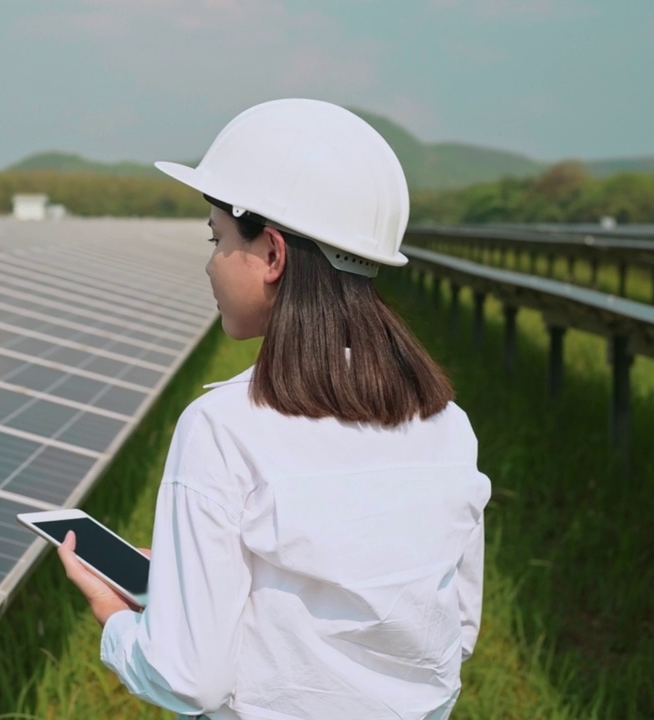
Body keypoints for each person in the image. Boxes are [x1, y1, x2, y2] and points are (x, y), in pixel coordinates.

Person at [57, 98, 491, 720]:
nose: (210, 262)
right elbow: (457, 629)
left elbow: (190, 681)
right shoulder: (448, 424)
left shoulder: (222, 429)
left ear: (273, 255)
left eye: (219, 238)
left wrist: (116, 620)